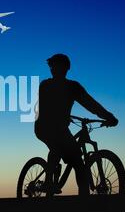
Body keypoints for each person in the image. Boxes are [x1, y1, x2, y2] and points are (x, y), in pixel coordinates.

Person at [35, 53, 118, 197]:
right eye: (52, 66)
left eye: (56, 66)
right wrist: (62, 117)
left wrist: (108, 116)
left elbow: (91, 104)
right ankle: (49, 181)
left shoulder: (73, 87)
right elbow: (44, 107)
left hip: (61, 129)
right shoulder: (46, 85)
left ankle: (83, 200)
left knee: (79, 164)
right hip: (44, 126)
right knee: (57, 148)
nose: (53, 69)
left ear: (66, 68)